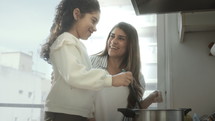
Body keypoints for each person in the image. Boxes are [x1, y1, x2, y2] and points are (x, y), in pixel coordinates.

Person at [40, 0, 133, 121]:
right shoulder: (64, 42)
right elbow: (75, 76)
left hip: (75, 114)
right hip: (63, 114)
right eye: (93, 21)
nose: (95, 28)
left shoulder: (77, 45)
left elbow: (84, 87)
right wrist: (111, 79)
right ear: (77, 14)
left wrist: (89, 113)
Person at [89, 22, 162, 121]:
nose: (113, 41)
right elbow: (80, 97)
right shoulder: (91, 62)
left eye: (121, 38)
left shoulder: (137, 77)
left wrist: (150, 99)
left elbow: (134, 112)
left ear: (130, 45)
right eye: (112, 36)